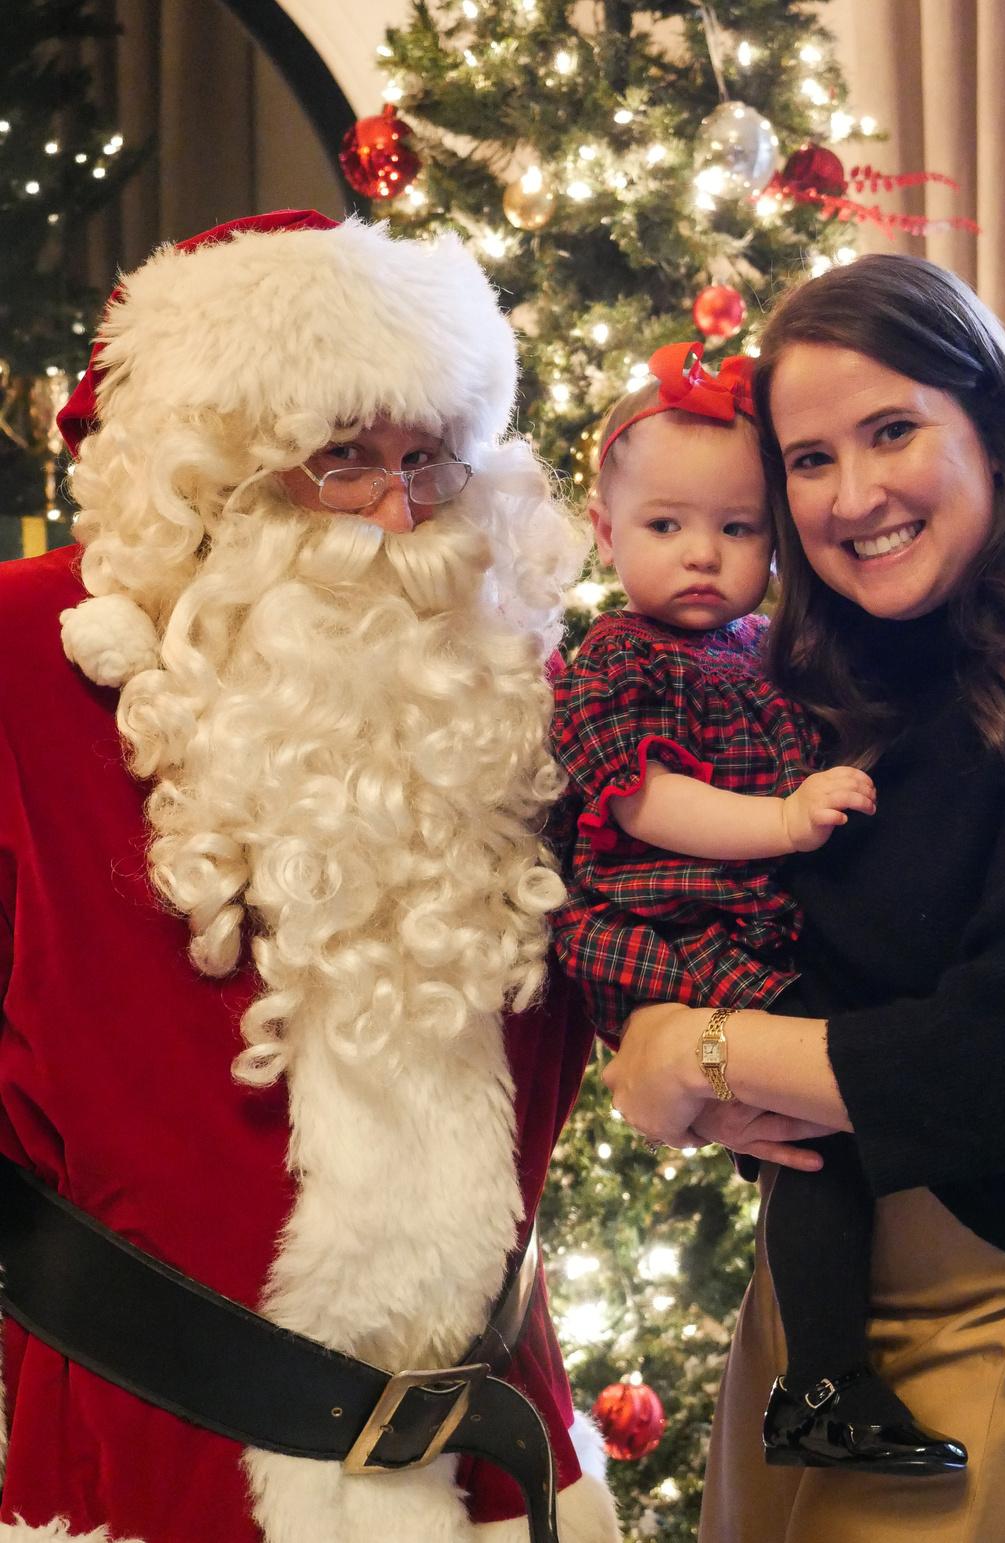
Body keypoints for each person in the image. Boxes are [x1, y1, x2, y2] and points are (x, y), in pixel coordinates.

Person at [0, 211, 619, 1543]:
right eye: (342, 457)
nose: (399, 512)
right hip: (151, 1460)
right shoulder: (23, 660)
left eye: (429, 458)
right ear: (218, 475)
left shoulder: (516, 686)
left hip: (495, 1457)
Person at [601, 253, 1005, 1542]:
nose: (853, 497)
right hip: (826, 1295)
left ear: (993, 426)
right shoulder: (850, 654)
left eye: (892, 431)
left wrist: (695, 1048)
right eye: (808, 460)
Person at [551, 343, 963, 1473]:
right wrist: (783, 820)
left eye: (737, 529)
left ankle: (823, 1381)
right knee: (827, 1116)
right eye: (667, 526)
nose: (704, 555)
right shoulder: (615, 661)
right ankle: (821, 1385)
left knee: (821, 1122)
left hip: (745, 927)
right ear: (604, 532)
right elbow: (644, 801)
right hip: (667, 934)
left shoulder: (760, 652)